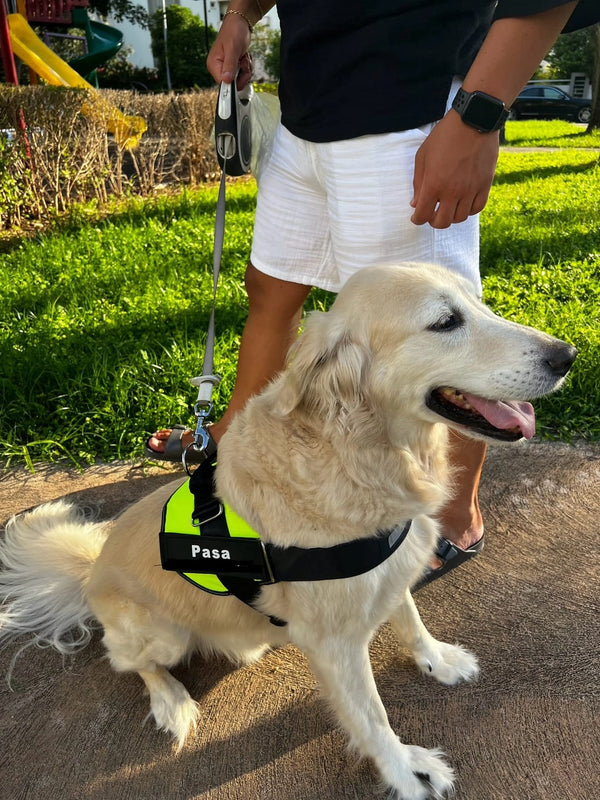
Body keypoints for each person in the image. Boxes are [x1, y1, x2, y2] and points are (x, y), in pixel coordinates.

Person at [147, 0, 585, 585]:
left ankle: (454, 518)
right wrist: (241, 15)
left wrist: (477, 116)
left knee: (434, 328)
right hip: (304, 110)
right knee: (270, 290)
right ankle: (232, 443)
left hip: (409, 103)